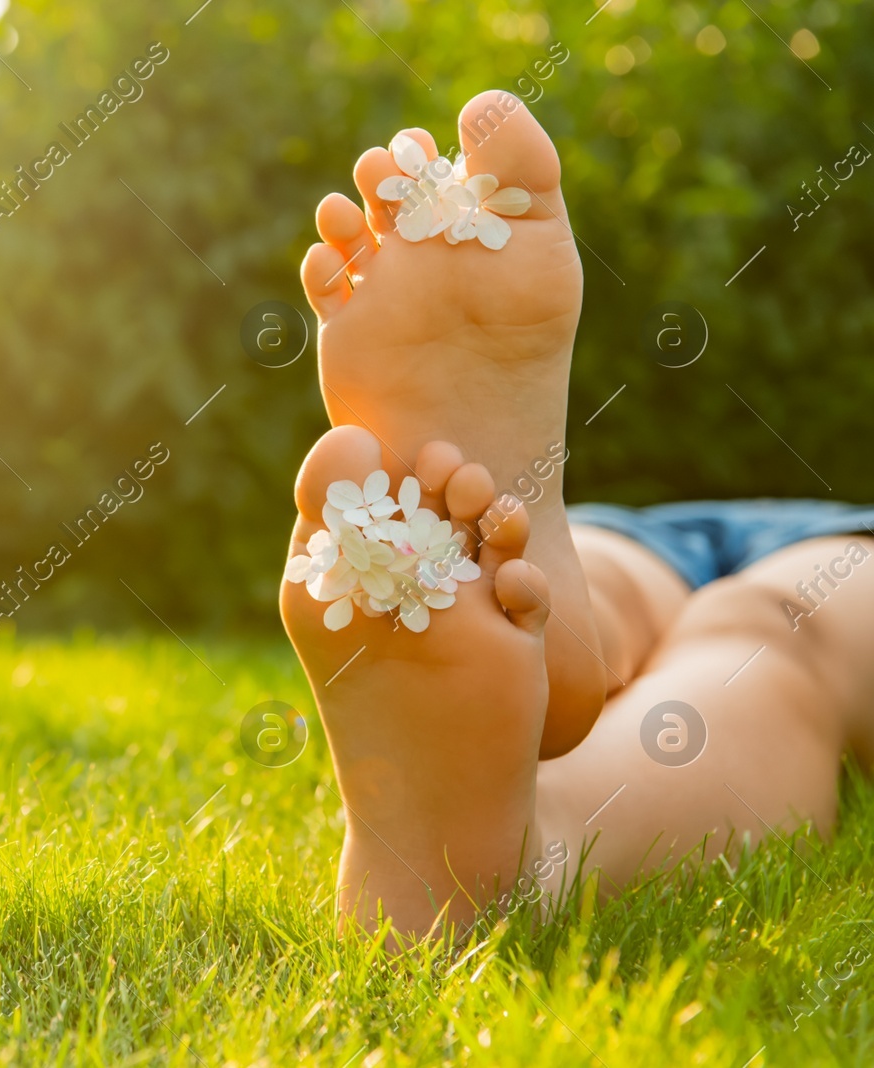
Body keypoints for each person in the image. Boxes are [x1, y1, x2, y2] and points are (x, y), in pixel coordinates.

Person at [282, 89, 874, 936]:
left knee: (755, 623)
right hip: (660, 532)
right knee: (585, 578)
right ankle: (534, 667)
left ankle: (514, 837)